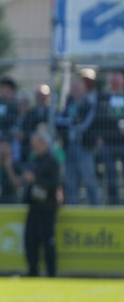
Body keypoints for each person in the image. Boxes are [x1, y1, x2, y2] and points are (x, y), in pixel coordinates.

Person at [21, 128, 62, 276]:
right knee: (30, 241)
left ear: (44, 144)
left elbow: (55, 183)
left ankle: (51, 273)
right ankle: (33, 271)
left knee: (48, 241)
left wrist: (35, 180)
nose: (34, 147)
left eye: (36, 144)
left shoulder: (52, 162)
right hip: (34, 206)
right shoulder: (35, 160)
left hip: (48, 207)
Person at [56, 69, 99, 205]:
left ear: (85, 89)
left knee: (89, 179)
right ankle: (72, 208)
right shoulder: (68, 103)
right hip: (69, 147)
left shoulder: (89, 104)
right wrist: (72, 122)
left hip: (84, 147)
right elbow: (58, 120)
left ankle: (96, 208)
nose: (75, 90)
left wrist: (68, 123)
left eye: (78, 87)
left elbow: (83, 125)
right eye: (73, 87)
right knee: (70, 180)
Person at [96, 70, 124, 205]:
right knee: (111, 177)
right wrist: (100, 136)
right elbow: (100, 119)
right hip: (108, 143)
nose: (116, 84)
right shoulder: (104, 98)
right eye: (114, 82)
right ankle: (115, 203)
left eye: (118, 82)